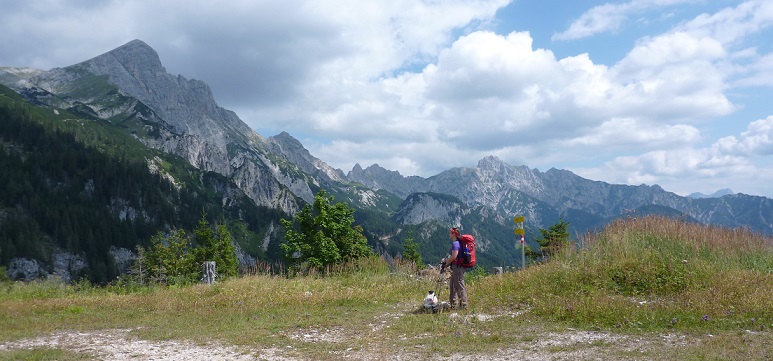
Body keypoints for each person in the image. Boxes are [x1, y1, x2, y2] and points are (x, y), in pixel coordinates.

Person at [441, 227, 467, 309]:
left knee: (459, 286)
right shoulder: (458, 243)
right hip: (457, 267)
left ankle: (463, 305)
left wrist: (446, 263)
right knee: (452, 285)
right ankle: (453, 304)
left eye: (450, 233)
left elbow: (454, 256)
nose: (449, 234)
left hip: (458, 268)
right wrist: (447, 263)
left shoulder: (455, 244)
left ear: (453, 234)